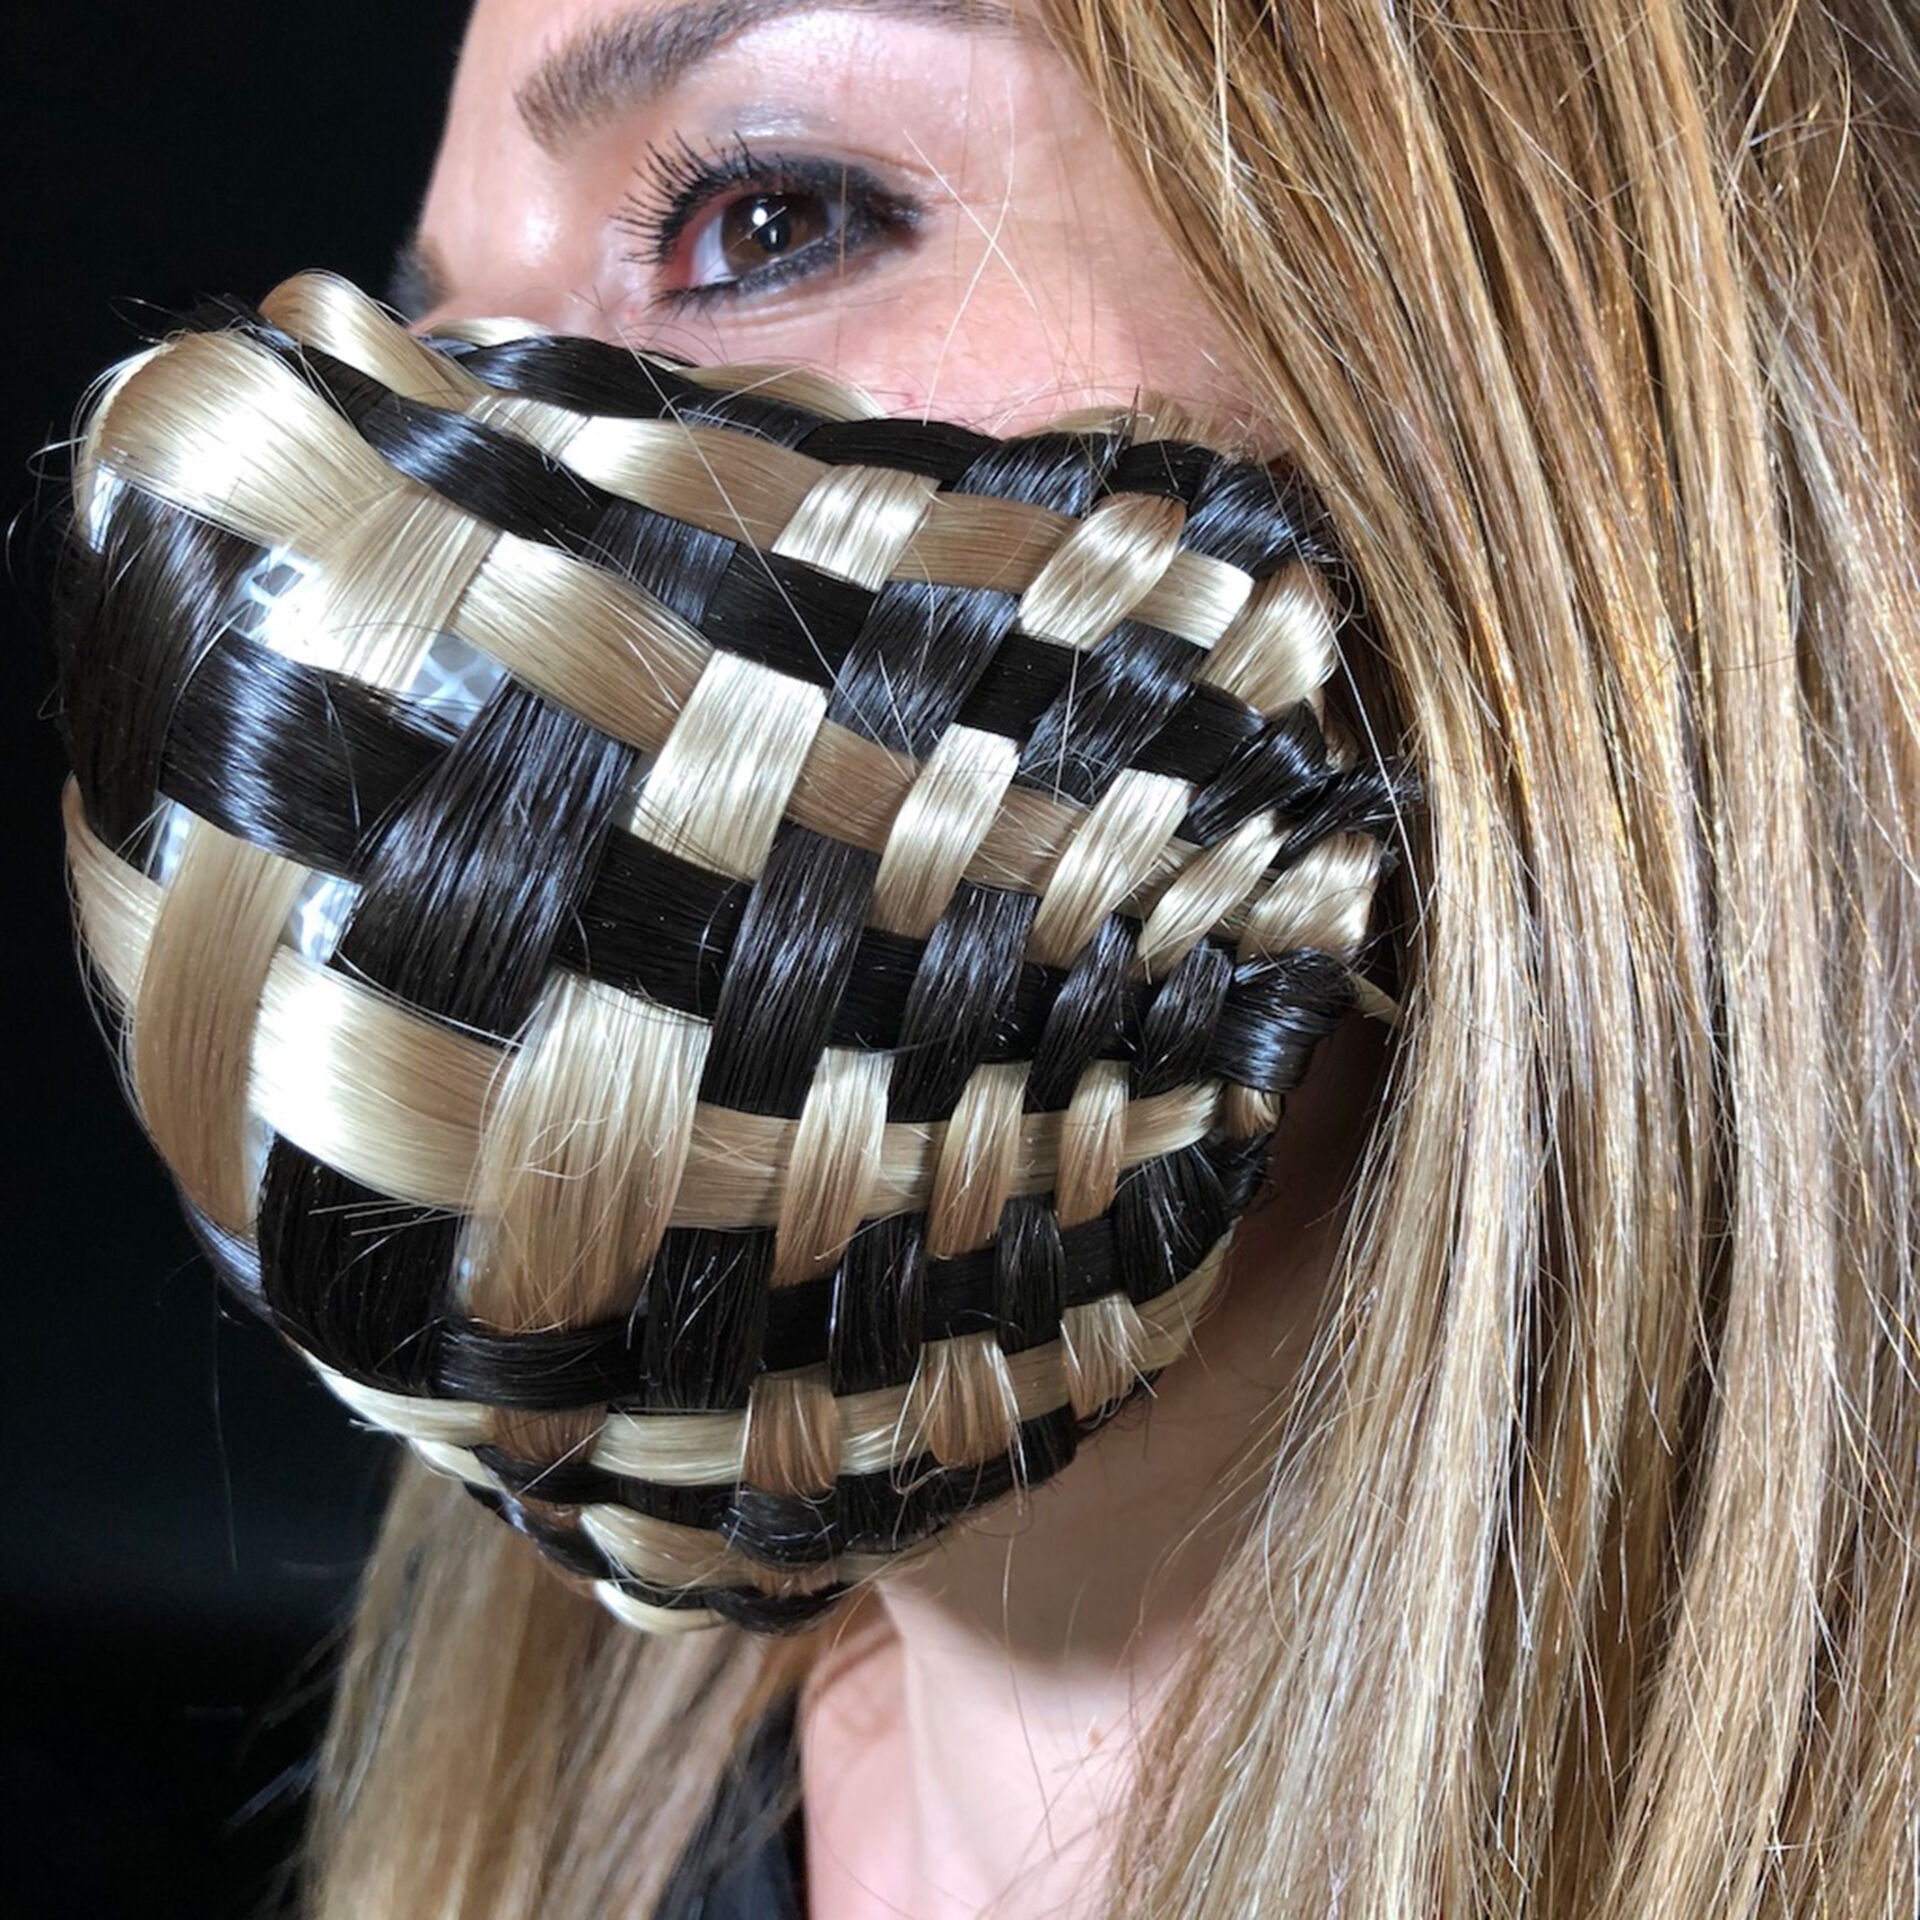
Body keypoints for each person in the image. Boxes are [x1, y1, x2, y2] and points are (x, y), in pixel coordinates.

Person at [58, 0, 1920, 1915]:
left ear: (1535, 360)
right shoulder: (540, 1840)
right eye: (436, 346)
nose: (425, 499)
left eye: (766, 220)